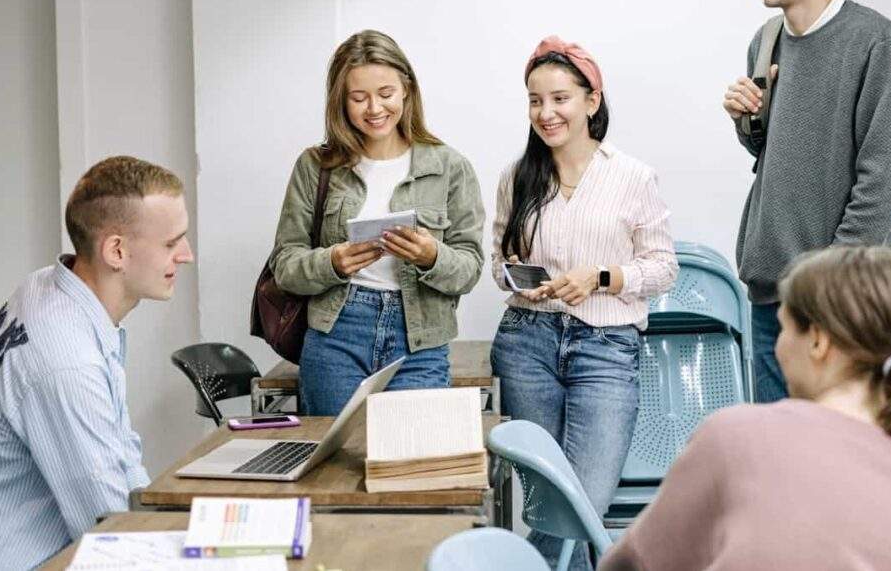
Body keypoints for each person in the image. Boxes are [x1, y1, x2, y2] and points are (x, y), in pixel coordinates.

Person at [599, 246, 891, 571]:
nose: (777, 348)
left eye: (783, 330)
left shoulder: (736, 437)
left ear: (818, 342)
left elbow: (633, 564)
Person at [0, 156, 194, 570]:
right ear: (117, 250)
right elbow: (112, 532)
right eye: (170, 243)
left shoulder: (47, 286)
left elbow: (120, 461)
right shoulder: (65, 363)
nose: (186, 255)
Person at [491, 35, 678, 570]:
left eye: (559, 98)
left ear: (592, 101)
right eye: (534, 100)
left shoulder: (633, 177)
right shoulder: (518, 176)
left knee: (582, 503)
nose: (545, 113)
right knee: (547, 501)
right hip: (527, 344)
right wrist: (520, 280)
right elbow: (497, 265)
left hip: (606, 348)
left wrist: (601, 277)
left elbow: (663, 268)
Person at [722, 0, 891, 402]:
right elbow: (775, 155)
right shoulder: (765, 42)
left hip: (847, 303)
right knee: (782, 467)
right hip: (773, 300)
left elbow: (885, 179)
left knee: (856, 466)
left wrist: (826, 283)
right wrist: (747, 121)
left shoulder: (874, 40)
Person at [270, 29, 485, 415]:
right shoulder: (315, 167)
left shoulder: (449, 167)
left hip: (420, 339)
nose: (374, 108)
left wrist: (431, 256)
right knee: (332, 468)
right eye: (358, 97)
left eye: (385, 93)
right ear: (340, 101)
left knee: (411, 465)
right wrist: (332, 262)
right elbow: (285, 265)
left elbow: (470, 269)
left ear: (406, 89)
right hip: (336, 334)